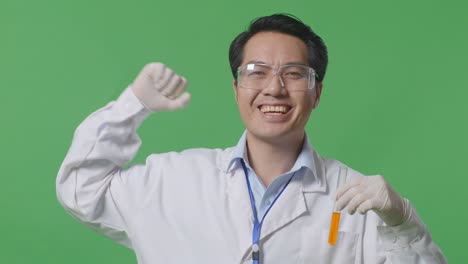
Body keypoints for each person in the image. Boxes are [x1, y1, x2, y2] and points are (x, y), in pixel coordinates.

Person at [56, 14, 447, 264]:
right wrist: (132, 105)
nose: (274, 88)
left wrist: (402, 223)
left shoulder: (356, 198)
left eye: (294, 73)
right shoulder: (171, 181)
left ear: (317, 93)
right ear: (236, 87)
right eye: (256, 72)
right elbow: (81, 189)